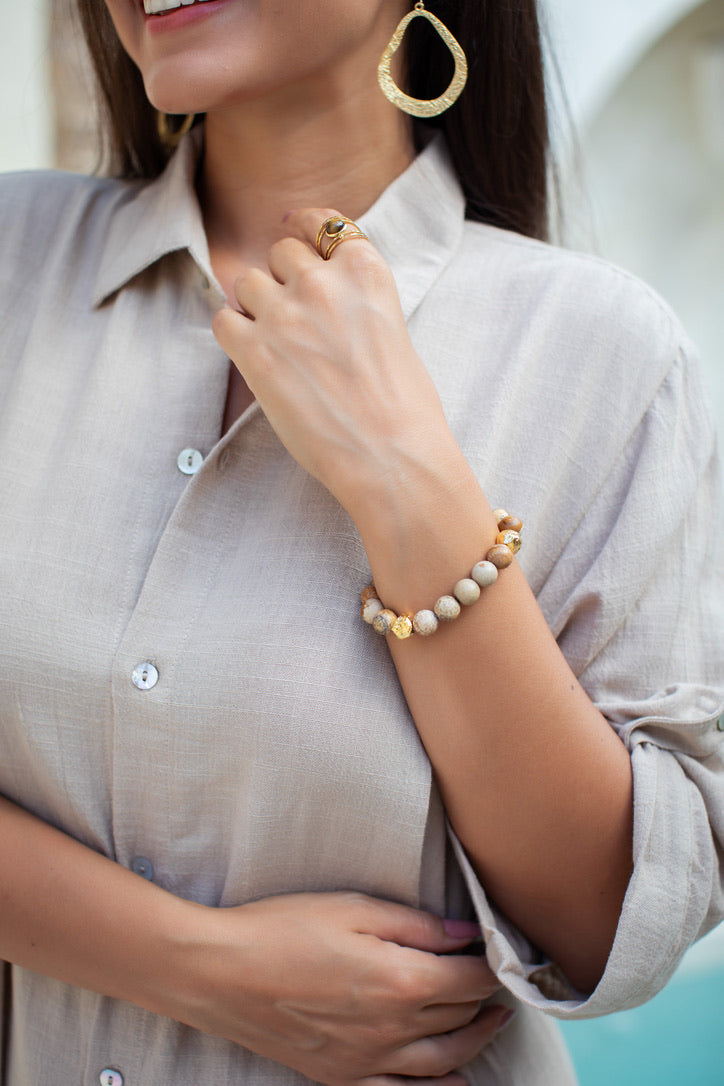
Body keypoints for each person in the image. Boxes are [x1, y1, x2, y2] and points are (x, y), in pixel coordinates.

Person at [0, 0, 722, 1082]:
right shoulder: (13, 261)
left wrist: (403, 474)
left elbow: (609, 930)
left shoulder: (604, 354)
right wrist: (198, 967)